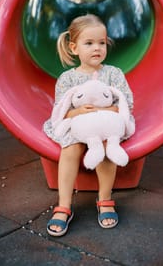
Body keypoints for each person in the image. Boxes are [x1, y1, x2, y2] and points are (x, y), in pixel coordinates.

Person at [44, 14, 135, 237]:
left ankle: (104, 199)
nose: (97, 48)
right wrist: (76, 112)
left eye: (102, 43)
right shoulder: (67, 78)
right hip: (77, 126)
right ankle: (64, 205)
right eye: (89, 43)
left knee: (106, 146)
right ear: (74, 48)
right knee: (70, 149)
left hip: (105, 126)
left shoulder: (113, 74)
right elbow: (60, 108)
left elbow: (126, 102)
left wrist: (105, 112)